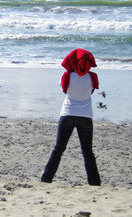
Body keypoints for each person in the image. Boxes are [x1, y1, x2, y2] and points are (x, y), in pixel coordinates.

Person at [41, 48, 101, 186]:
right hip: (86, 116)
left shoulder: (67, 76)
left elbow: (65, 90)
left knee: (59, 149)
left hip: (67, 114)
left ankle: (46, 178)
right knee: (87, 152)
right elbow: (90, 92)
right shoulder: (92, 77)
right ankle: (94, 182)